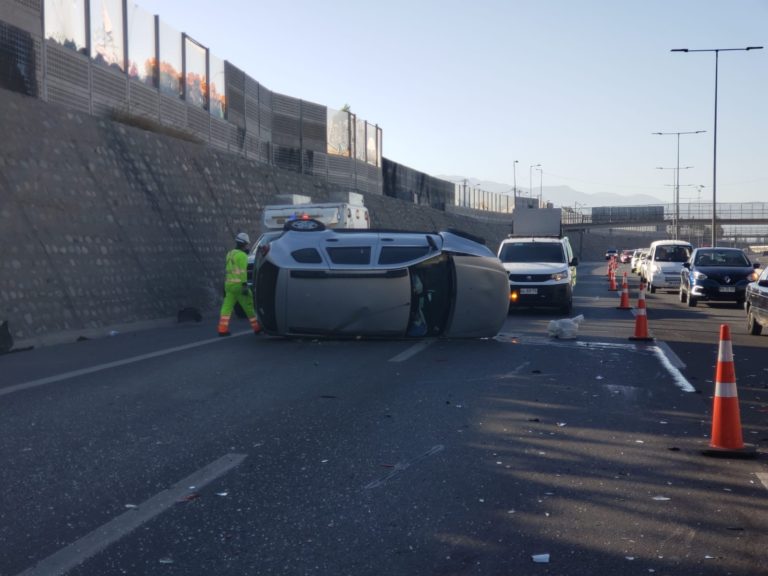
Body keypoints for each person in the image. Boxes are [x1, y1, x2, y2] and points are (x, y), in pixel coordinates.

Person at [217, 232, 262, 336]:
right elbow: (243, 272)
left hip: (228, 285)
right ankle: (257, 328)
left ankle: (222, 329)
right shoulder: (242, 256)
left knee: (226, 308)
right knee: (249, 306)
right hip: (239, 286)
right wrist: (245, 285)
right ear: (245, 244)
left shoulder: (229, 253)